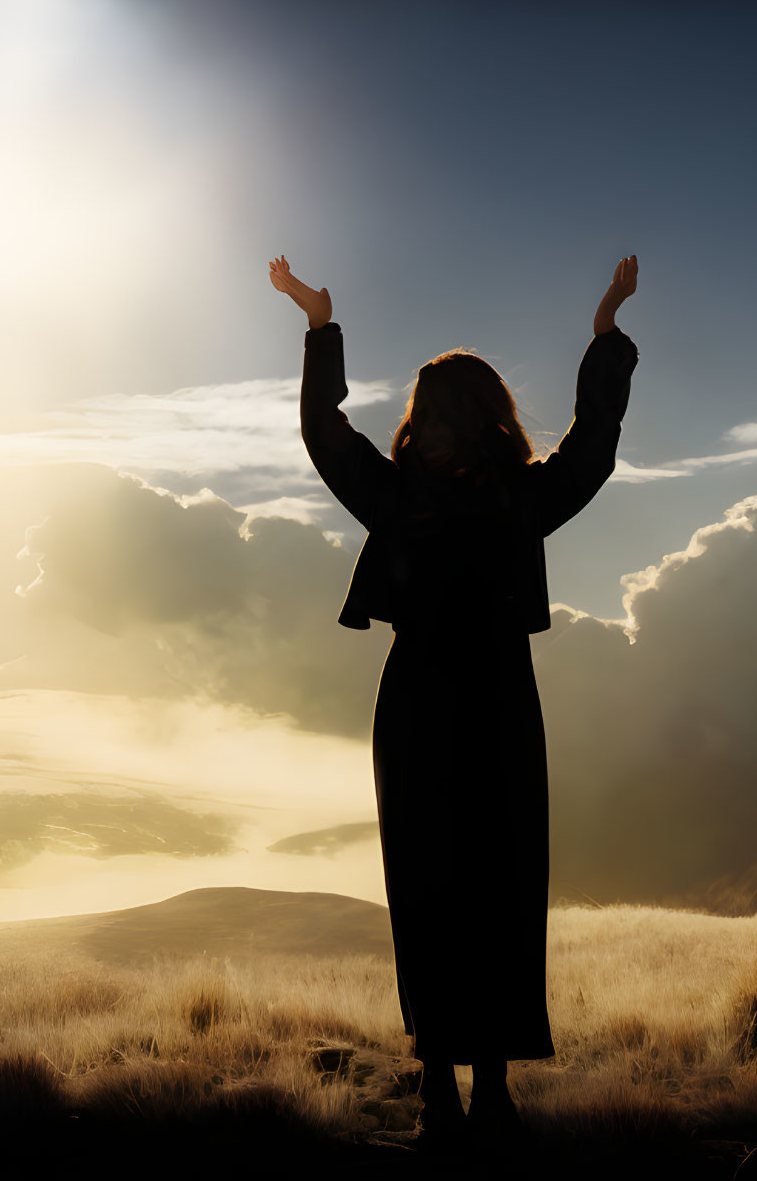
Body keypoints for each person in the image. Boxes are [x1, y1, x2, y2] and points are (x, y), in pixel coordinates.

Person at [268, 253, 640, 1149]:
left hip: (502, 704)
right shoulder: (391, 500)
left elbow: (592, 442)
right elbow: (325, 433)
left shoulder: (522, 499)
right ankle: (436, 1077)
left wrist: (606, 335)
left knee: (503, 885)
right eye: (418, 414)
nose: (422, 427)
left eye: (439, 414)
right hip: (416, 707)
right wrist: (319, 326)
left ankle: (495, 1085)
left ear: (478, 423)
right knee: (426, 885)